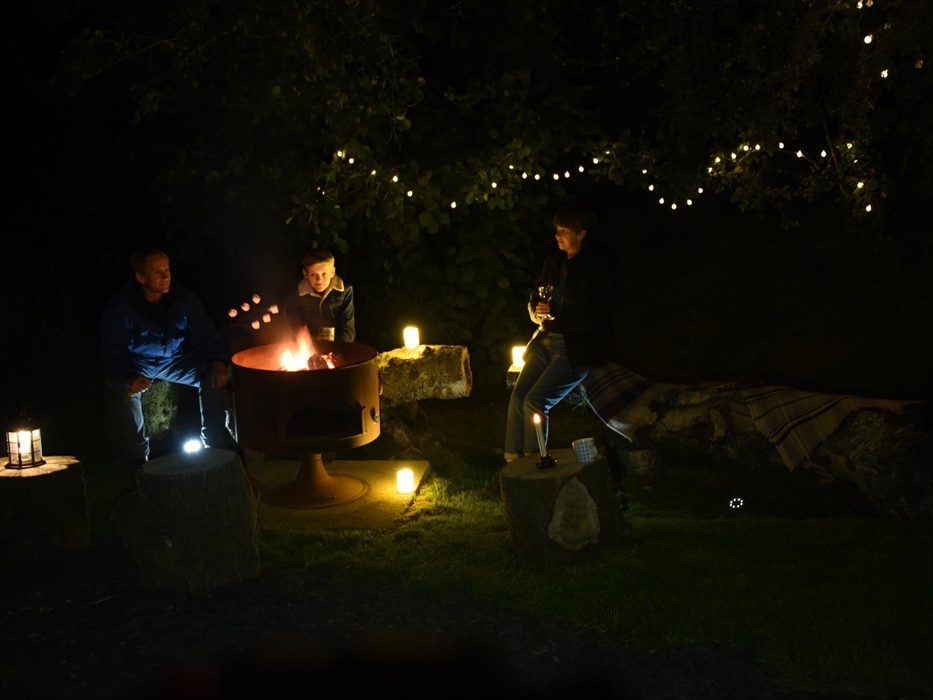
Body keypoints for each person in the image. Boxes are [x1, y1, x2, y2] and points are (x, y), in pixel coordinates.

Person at [100, 247, 237, 466]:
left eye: (167, 269)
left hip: (176, 361)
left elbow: (206, 334)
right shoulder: (122, 306)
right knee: (122, 389)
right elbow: (113, 348)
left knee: (213, 374)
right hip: (139, 363)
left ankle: (215, 446)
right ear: (140, 277)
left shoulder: (184, 299)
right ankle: (137, 461)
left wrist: (217, 362)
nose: (166, 276)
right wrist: (128, 375)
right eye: (158, 271)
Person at [503, 206, 612, 463]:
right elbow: (534, 300)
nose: (558, 235)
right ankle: (511, 463)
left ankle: (532, 462)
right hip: (545, 342)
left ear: (581, 234)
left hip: (574, 347)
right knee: (518, 397)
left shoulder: (594, 267)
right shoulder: (554, 263)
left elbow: (591, 314)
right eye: (557, 230)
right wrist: (538, 312)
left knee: (535, 401)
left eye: (564, 230)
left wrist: (556, 320)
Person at [283, 249, 356, 342]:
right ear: (305, 274)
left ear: (332, 272)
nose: (319, 280)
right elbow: (294, 330)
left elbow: (348, 329)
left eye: (324, 274)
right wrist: (312, 342)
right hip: (309, 349)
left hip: (340, 347)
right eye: (313, 275)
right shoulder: (295, 298)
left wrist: (335, 345)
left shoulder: (345, 291)